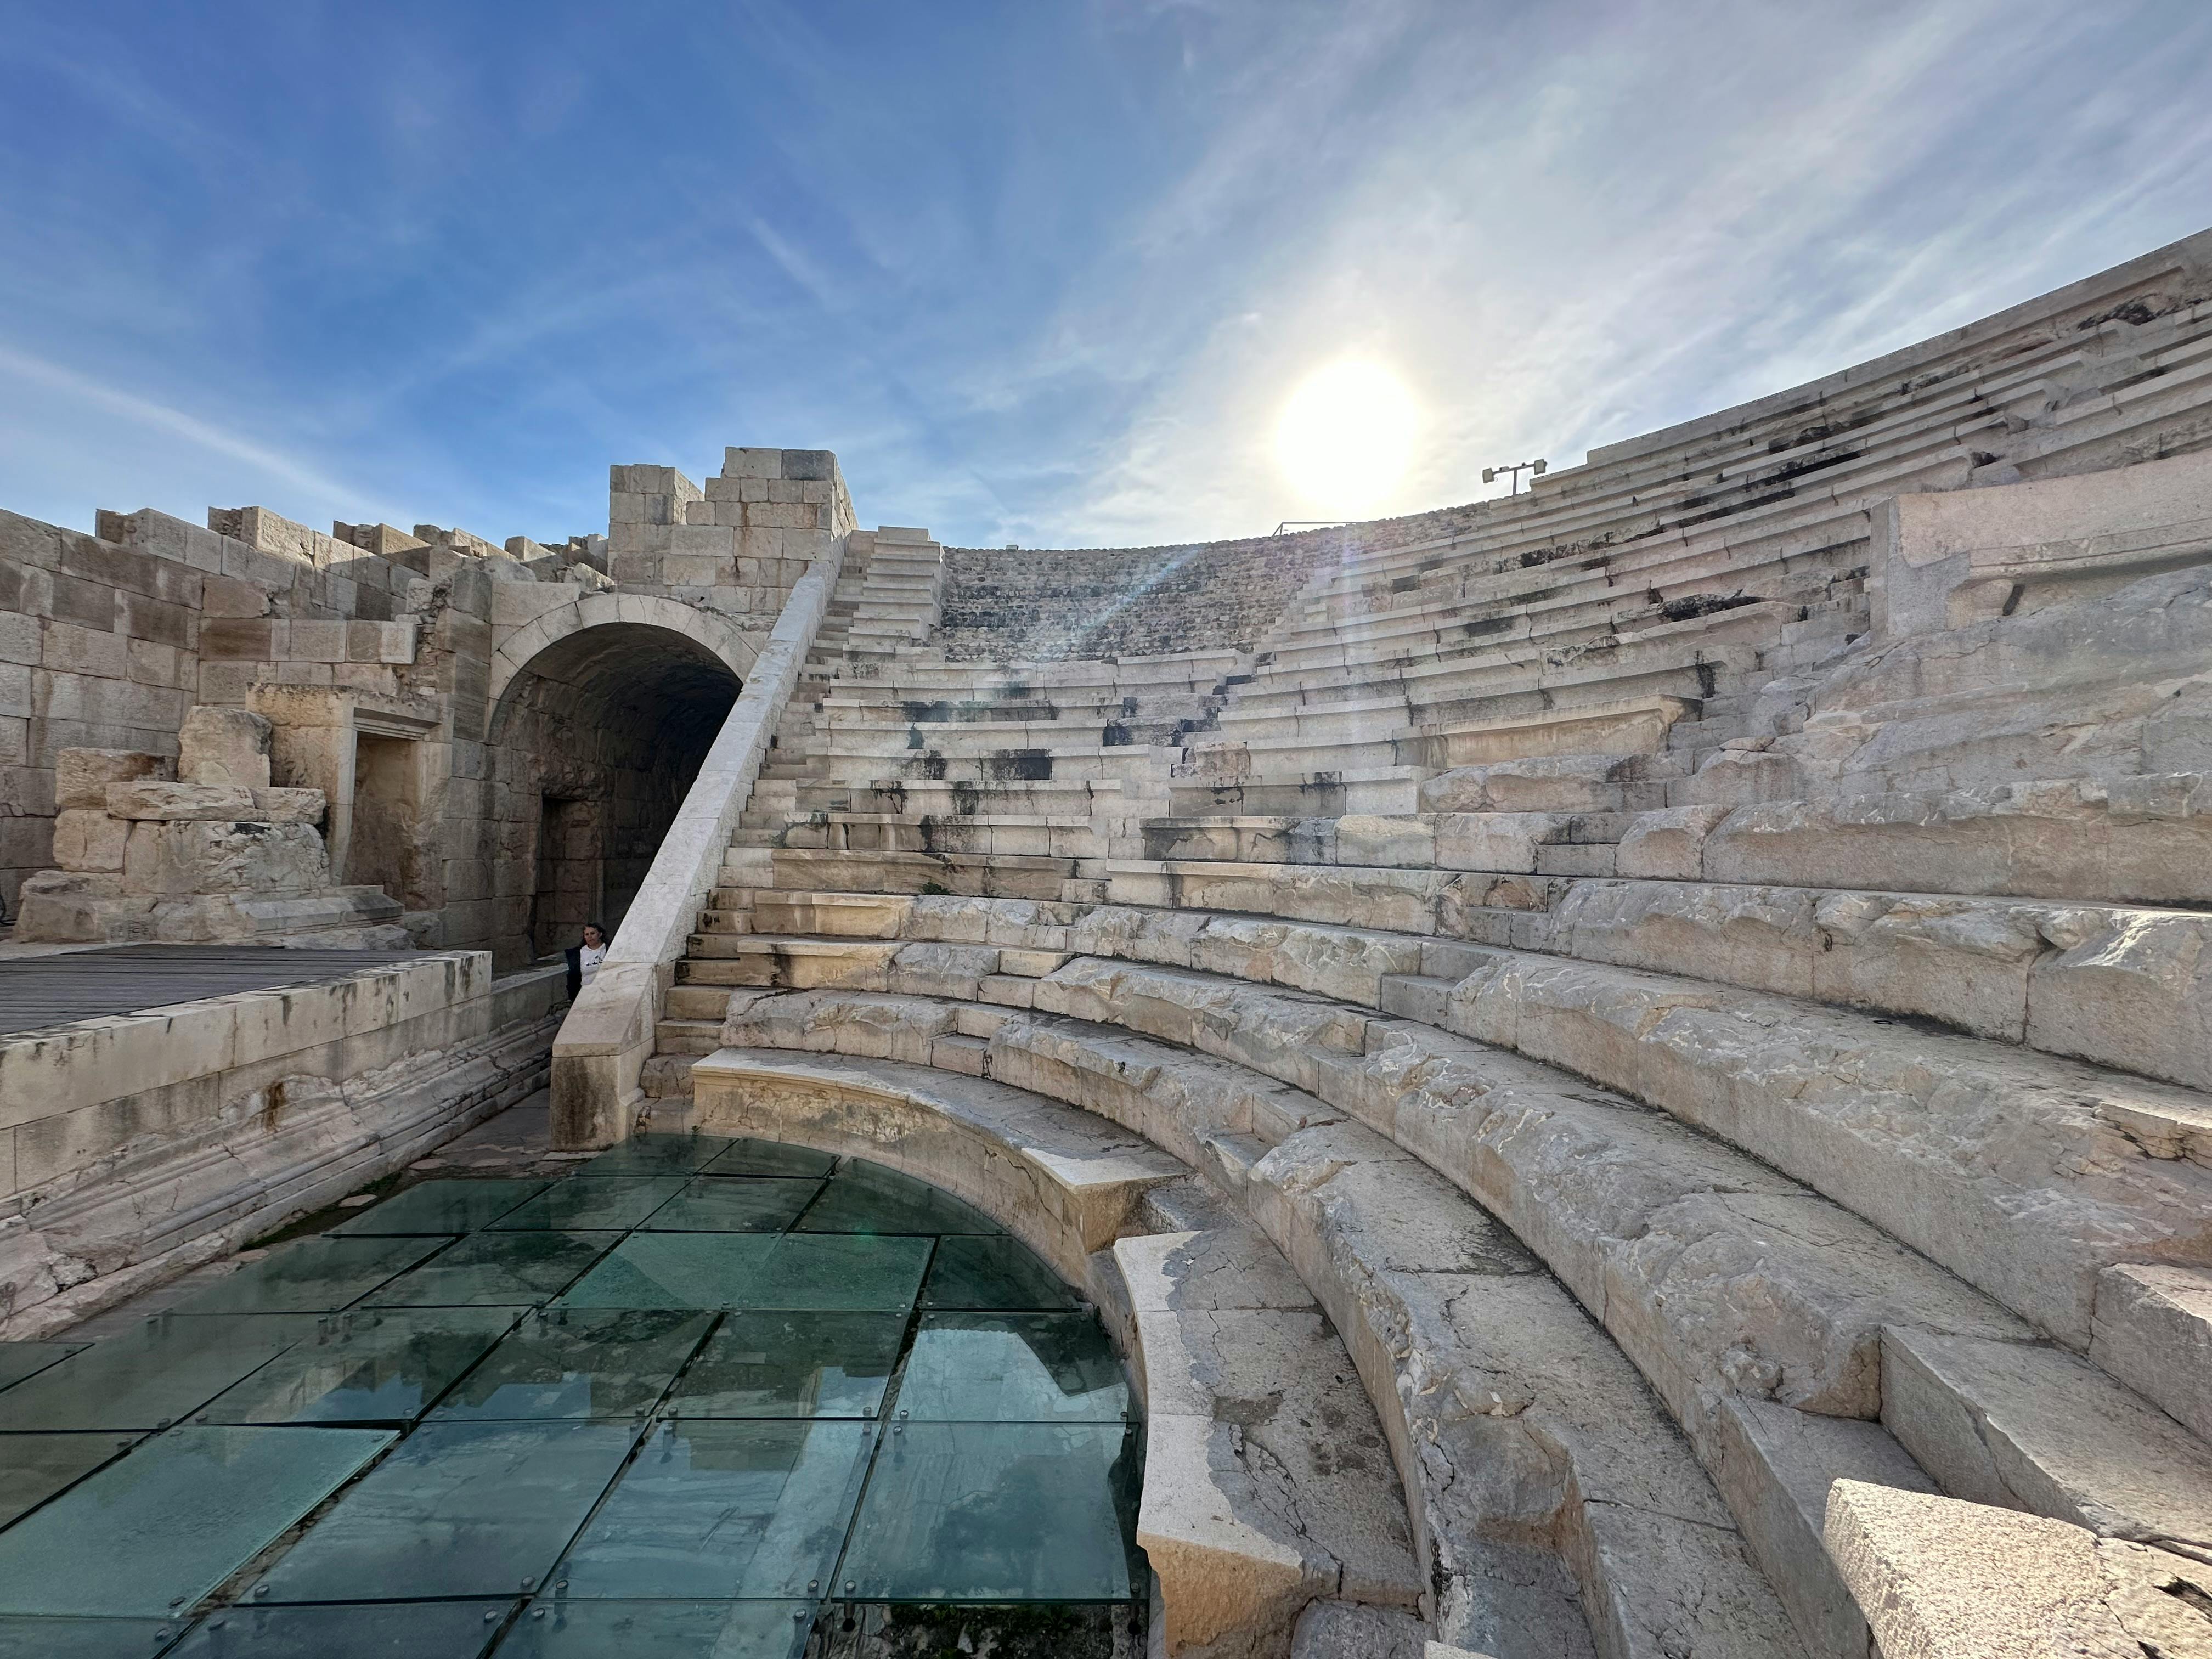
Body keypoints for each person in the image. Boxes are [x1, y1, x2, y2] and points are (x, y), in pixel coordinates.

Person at [563, 922, 608, 1003]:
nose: (590, 937)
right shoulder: (577, 954)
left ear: (600, 934)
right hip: (586, 994)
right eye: (587, 935)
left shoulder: (609, 949)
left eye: (593, 933)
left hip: (607, 991)